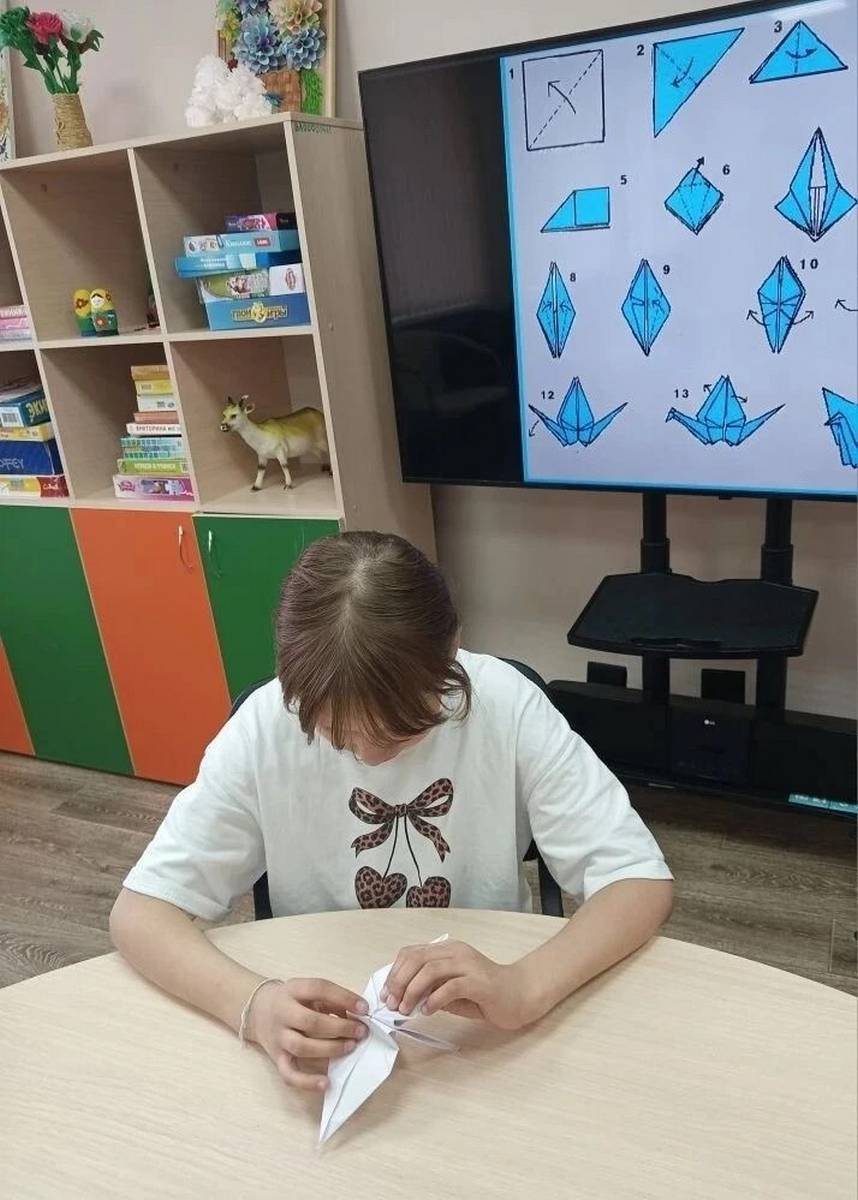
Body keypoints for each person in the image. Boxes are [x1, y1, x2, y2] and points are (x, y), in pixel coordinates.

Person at [111, 531, 673, 1092]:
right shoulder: (264, 728)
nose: (369, 755)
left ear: (451, 650)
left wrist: (526, 985)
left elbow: (638, 881)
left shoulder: (507, 706)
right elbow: (140, 913)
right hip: (329, 1020)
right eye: (337, 734)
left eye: (400, 731)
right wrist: (251, 1004)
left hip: (480, 1025)